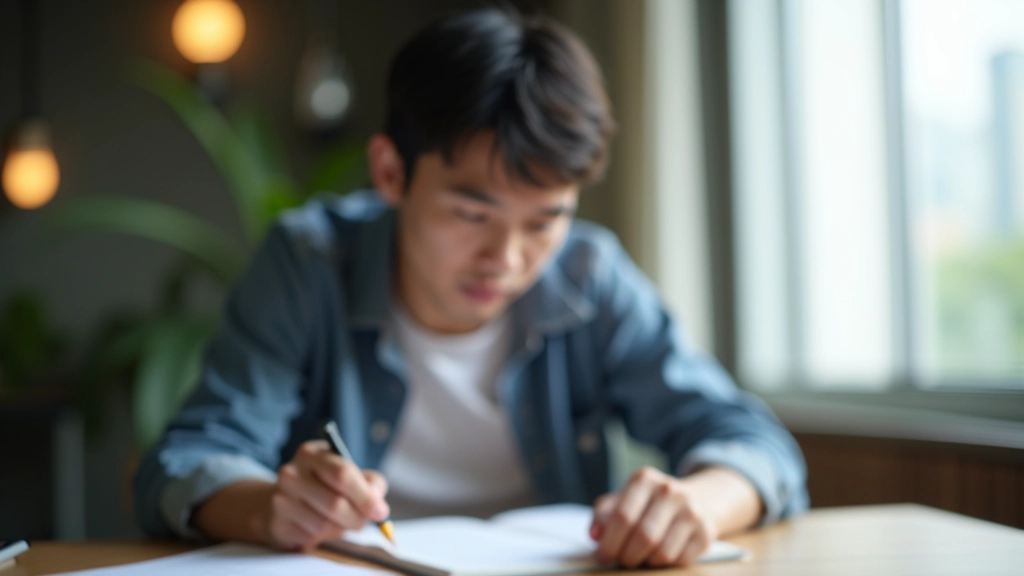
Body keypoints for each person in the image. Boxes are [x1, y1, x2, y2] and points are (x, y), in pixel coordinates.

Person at [135, 7, 807, 568]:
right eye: (471, 214)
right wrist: (270, 506)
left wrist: (697, 505)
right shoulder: (309, 263)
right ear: (390, 172)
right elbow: (186, 461)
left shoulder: (588, 274)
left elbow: (756, 443)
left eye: (546, 220)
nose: (507, 259)